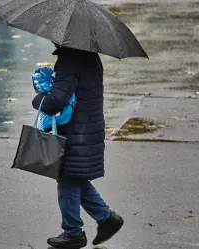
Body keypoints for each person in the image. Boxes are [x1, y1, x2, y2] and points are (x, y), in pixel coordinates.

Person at [32, 44, 124, 249]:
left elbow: (56, 101)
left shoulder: (69, 60)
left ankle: (73, 232)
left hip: (76, 132)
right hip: (87, 128)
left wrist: (38, 99)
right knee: (73, 177)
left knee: (67, 178)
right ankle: (106, 218)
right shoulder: (89, 56)